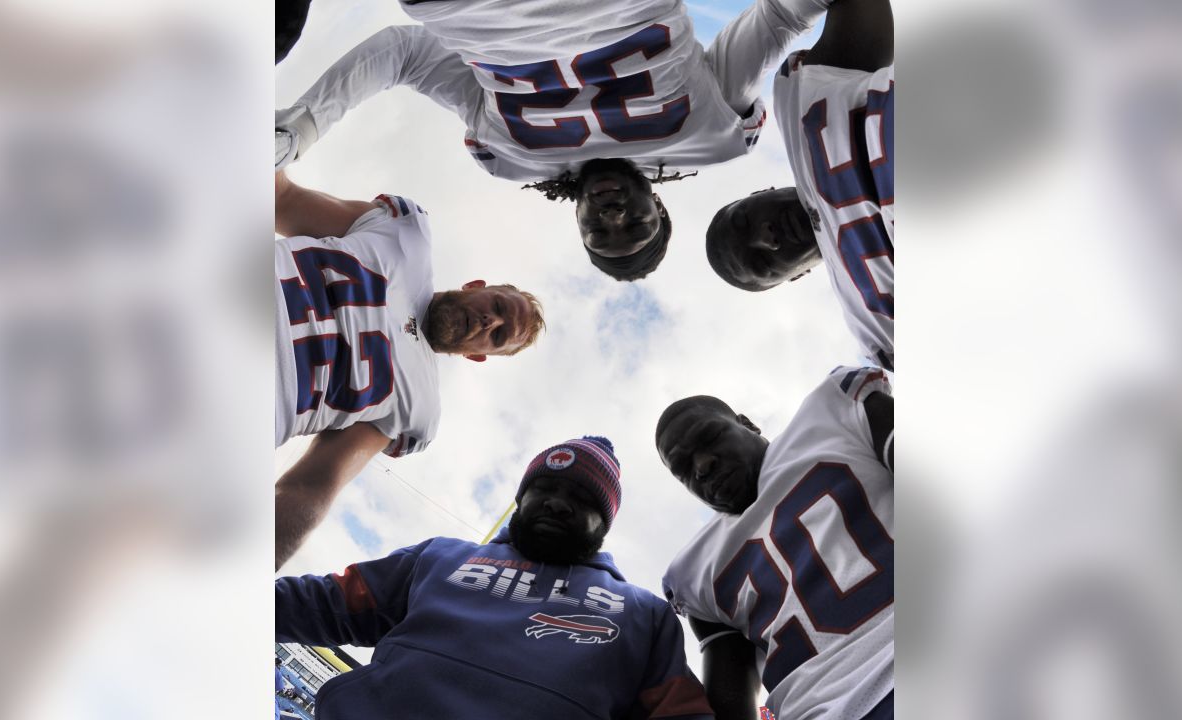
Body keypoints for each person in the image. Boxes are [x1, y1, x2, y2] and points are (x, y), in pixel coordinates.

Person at [274, 0, 838, 280]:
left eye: (598, 231)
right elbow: (781, 15)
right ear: (659, 205)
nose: (614, 214)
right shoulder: (715, 137)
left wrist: (300, 129)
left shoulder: (509, 157)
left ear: (578, 223)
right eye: (635, 224)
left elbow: (407, 52)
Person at [276, 436, 714, 719]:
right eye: (545, 489)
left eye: (582, 499)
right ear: (520, 500)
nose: (558, 504)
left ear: (605, 523)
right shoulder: (439, 557)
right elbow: (321, 602)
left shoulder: (645, 616)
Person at [274, 171, 546, 569]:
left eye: (499, 336)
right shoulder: (406, 237)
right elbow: (281, 197)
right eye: (498, 307)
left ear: (478, 355)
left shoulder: (418, 406)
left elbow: (313, 485)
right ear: (475, 285)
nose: (490, 322)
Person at [656, 366, 894, 720]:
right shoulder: (696, 574)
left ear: (748, 423)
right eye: (683, 468)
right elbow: (730, 702)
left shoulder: (834, 414)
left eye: (711, 437)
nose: (702, 466)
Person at [704, 0, 894, 370]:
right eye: (762, 261)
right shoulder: (873, 330)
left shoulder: (799, 106)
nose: (766, 236)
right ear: (794, 277)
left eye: (745, 221)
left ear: (759, 193)